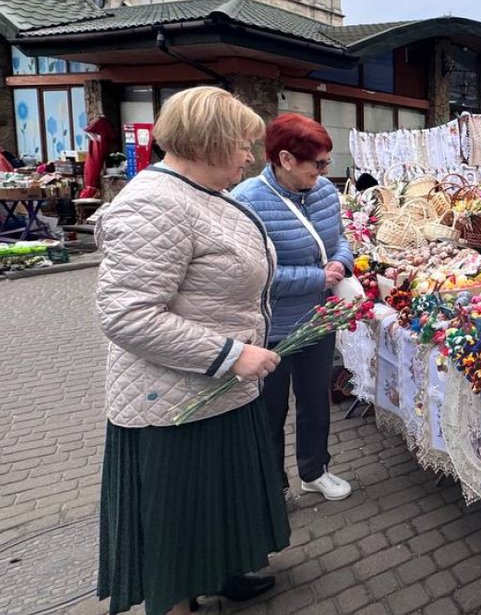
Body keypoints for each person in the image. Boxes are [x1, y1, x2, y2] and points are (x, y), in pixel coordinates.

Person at [94, 87, 287, 615]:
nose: (250, 157)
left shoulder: (206, 195)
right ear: (210, 142)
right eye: (243, 145)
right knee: (180, 505)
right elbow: (127, 314)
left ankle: (221, 567)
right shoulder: (153, 202)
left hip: (217, 387)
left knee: (218, 496)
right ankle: (178, 597)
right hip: (175, 399)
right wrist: (231, 354)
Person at [232, 114, 355, 501]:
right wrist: (317, 278)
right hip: (272, 327)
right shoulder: (247, 200)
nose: (322, 172)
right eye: (316, 164)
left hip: (319, 319)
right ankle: (272, 485)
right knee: (269, 410)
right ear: (285, 159)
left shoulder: (324, 193)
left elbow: (341, 240)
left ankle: (314, 470)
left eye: (326, 163)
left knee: (315, 400)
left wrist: (341, 263)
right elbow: (251, 275)